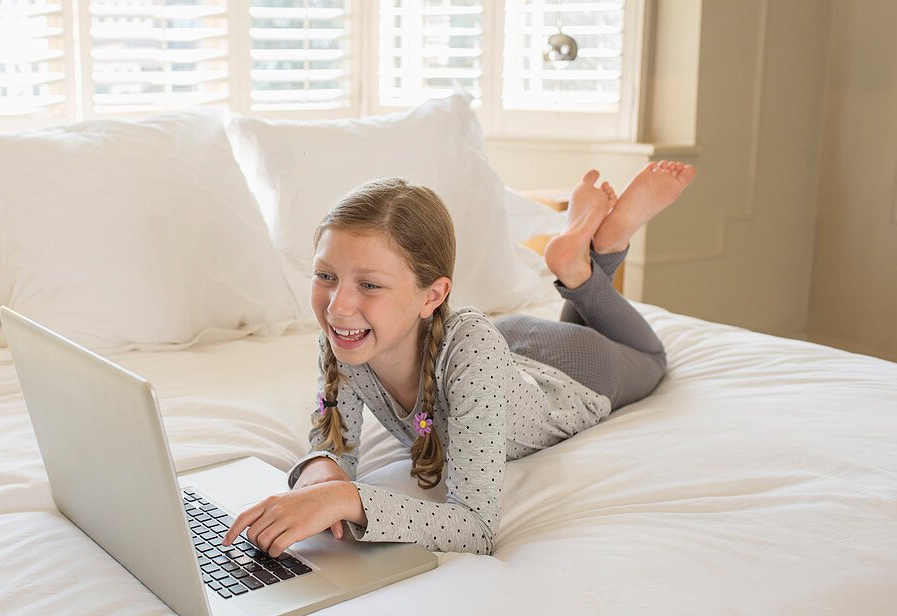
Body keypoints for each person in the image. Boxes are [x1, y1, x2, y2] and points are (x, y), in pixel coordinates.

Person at [221, 160, 697, 556]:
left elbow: (475, 527)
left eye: (369, 284)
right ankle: (583, 255)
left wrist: (348, 498)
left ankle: (597, 253)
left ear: (433, 296)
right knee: (559, 333)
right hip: (500, 352)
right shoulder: (349, 336)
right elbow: (333, 441)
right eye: (326, 275)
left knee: (650, 359)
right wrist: (322, 475)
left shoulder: (454, 344)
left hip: (568, 370)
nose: (338, 305)